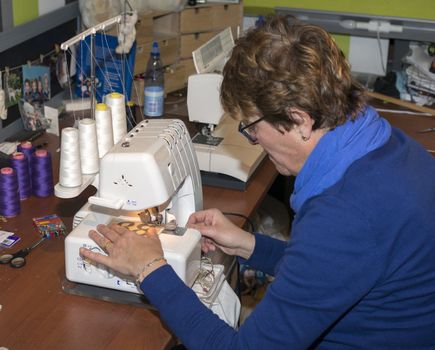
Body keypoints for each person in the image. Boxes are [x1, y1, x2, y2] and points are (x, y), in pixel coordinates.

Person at [80, 15, 435, 349]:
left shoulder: (344, 214)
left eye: (251, 127)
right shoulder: (386, 145)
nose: (254, 140)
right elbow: (329, 272)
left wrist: (149, 269)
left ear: (299, 121)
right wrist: (250, 245)